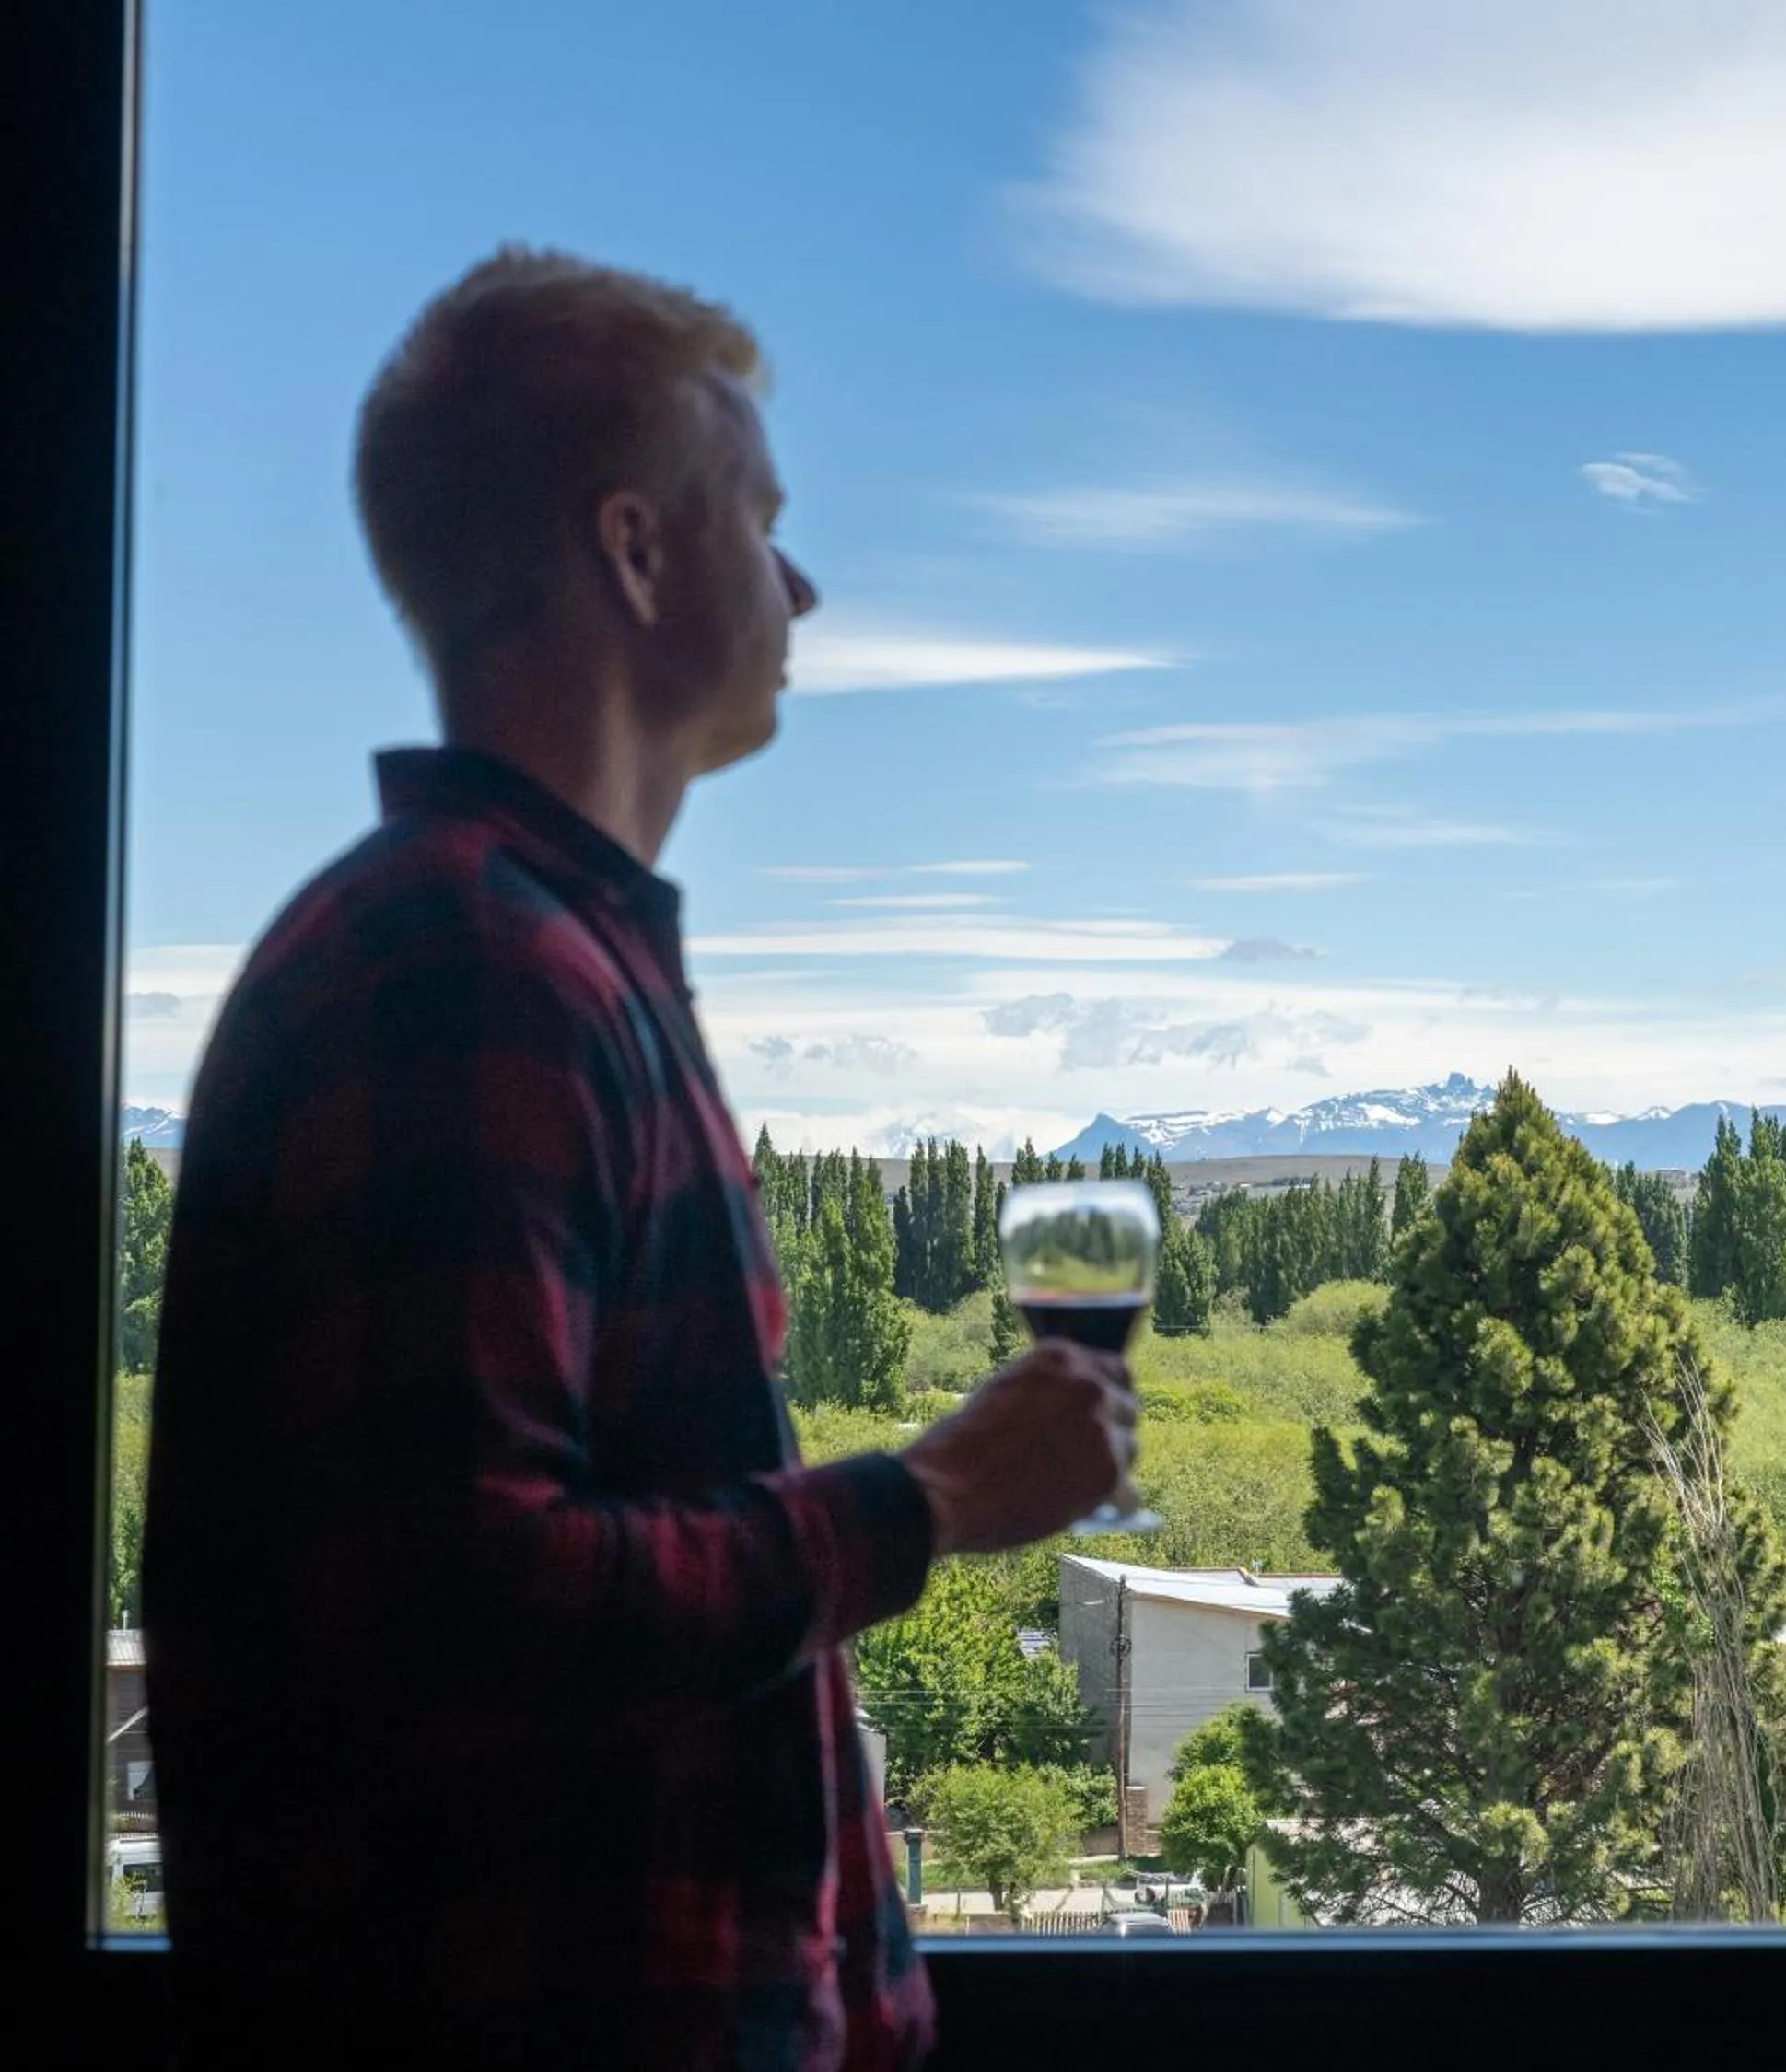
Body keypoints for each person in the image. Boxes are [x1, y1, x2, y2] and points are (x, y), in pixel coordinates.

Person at [141, 250, 1133, 2072]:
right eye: (762, 519)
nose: (807, 584)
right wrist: (925, 1505)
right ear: (638, 551)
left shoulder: (527, 957)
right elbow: (466, 1610)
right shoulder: (464, 973)